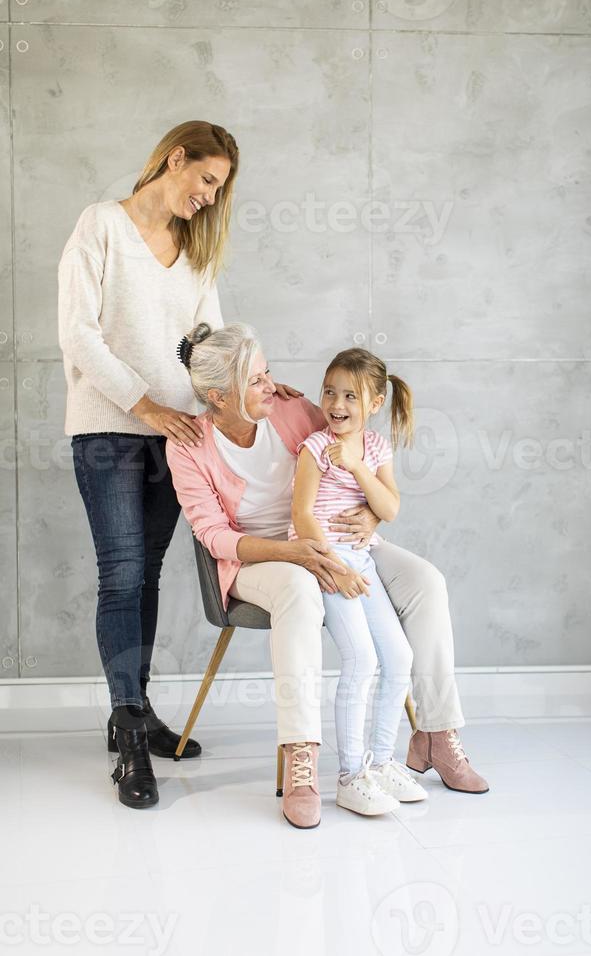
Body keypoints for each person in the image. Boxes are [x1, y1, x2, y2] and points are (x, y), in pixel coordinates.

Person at [57, 121, 302, 811]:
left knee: (148, 575)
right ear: (176, 159)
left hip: (178, 436)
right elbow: (77, 333)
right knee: (123, 572)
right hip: (110, 429)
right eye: (207, 181)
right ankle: (132, 735)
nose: (208, 198)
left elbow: (213, 349)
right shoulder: (101, 226)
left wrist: (255, 380)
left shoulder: (197, 253)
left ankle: (129, 709)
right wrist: (145, 405)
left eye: (219, 189)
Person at [167, 322, 489, 831]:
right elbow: (214, 537)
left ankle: (435, 733)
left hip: (339, 542)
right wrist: (298, 552)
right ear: (217, 396)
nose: (271, 385)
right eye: (255, 381)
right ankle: (303, 758)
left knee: (426, 581)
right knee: (299, 586)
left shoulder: (292, 410)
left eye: (267, 372)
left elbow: (352, 444)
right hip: (257, 560)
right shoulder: (188, 446)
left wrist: (374, 517)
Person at [289, 348, 428, 816]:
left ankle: (383, 761)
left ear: (375, 402)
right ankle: (350, 775)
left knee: (400, 656)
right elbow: (302, 515)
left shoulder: (373, 449)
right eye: (329, 391)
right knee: (362, 659)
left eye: (351, 395)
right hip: (325, 560)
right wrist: (333, 564)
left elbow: (389, 509)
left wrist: (356, 465)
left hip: (362, 561)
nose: (336, 403)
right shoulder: (313, 448)